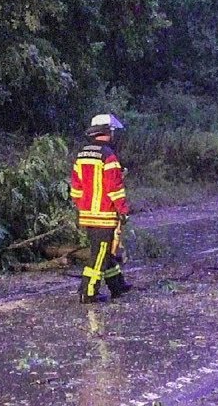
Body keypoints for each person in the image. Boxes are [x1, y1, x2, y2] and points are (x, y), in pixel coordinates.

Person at [70, 113, 132, 303]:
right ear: (108, 131)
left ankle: (117, 285)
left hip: (88, 215)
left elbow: (76, 189)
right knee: (99, 255)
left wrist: (83, 207)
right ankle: (88, 292)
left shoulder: (81, 155)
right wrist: (123, 210)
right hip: (105, 216)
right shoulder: (108, 156)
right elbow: (115, 189)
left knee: (106, 253)